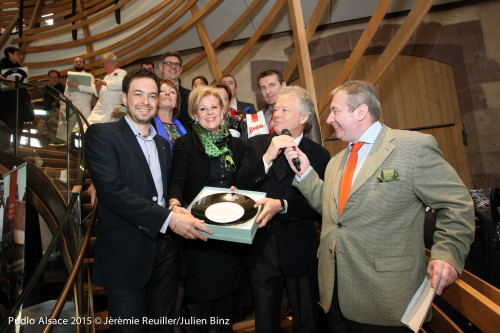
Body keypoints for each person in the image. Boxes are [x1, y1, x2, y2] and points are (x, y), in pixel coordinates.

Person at [285, 80, 475, 332]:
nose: (329, 119)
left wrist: (448, 254)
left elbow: (457, 204)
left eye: (335, 111)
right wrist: (305, 174)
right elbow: (335, 213)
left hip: (386, 299)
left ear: (361, 112)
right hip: (336, 295)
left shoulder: (412, 148)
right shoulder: (336, 161)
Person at [84, 69, 212, 333]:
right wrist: (170, 219)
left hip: (165, 253)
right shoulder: (102, 135)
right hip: (126, 255)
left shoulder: (164, 146)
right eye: (138, 94)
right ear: (124, 97)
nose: (145, 101)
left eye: (152, 95)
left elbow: (169, 192)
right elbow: (113, 191)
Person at [237, 86, 330, 332]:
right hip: (261, 248)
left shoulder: (319, 155)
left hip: (300, 246)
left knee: (307, 319)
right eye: (275, 108)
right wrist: (267, 157)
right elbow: (242, 186)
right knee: (265, 322)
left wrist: (283, 206)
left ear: (303, 118)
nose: (276, 113)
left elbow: (321, 205)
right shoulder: (256, 145)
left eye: (284, 109)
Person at [168, 86, 246, 332]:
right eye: (203, 108)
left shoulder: (236, 144)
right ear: (194, 113)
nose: (209, 112)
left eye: (214, 106)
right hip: (199, 233)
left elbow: (243, 179)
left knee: (225, 304)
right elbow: (178, 180)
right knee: (201, 305)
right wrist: (174, 204)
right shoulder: (185, 144)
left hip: (229, 233)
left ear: (223, 110)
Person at [0, 47, 33, 134]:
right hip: (5, 103)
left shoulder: (21, 69)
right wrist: (7, 82)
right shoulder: (1, 65)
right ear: (9, 54)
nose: (20, 56)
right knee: (5, 131)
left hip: (18, 104)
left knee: (18, 128)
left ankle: (17, 146)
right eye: (18, 54)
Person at [87, 52, 127, 125]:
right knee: (89, 124)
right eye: (103, 64)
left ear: (114, 62)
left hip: (114, 107)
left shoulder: (121, 72)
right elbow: (104, 91)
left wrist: (104, 83)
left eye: (106, 63)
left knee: (109, 127)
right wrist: (99, 89)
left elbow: (121, 84)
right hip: (101, 106)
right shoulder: (106, 77)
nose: (105, 65)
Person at [159, 51, 192, 130]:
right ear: (161, 67)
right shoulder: (153, 92)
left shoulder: (190, 96)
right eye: (168, 63)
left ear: (181, 69)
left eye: (177, 64)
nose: (173, 67)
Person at [152, 79, 187, 152]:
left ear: (177, 103)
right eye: (162, 90)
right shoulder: (148, 127)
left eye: (172, 92)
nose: (167, 93)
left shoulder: (186, 130)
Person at [63, 57, 97, 129]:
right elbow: (66, 93)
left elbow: (94, 90)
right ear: (74, 64)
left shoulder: (90, 76)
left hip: (84, 105)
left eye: (80, 62)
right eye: (76, 62)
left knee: (85, 127)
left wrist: (79, 86)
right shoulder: (69, 78)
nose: (78, 63)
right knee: (71, 129)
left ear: (84, 64)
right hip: (72, 106)